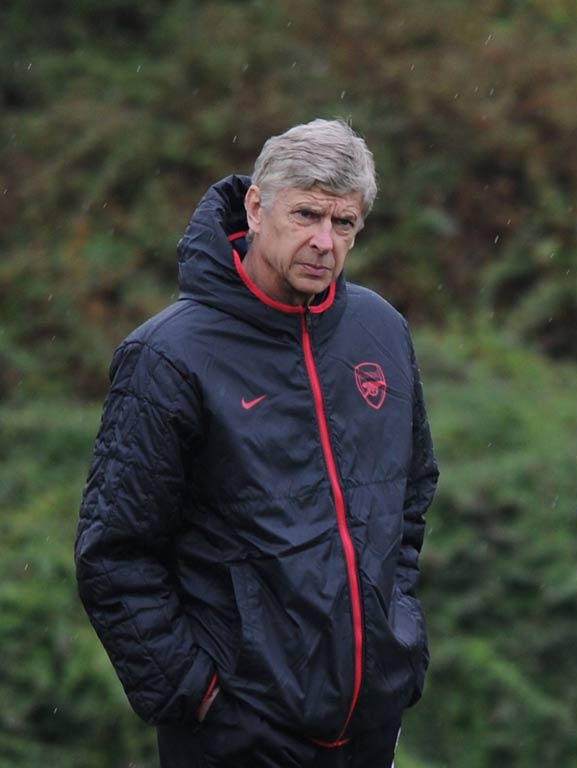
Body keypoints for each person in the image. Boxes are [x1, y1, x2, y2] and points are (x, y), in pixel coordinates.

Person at [75, 118, 439, 768]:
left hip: (369, 726)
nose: (324, 242)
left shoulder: (380, 331)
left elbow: (409, 501)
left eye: (344, 223)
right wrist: (200, 694)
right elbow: (114, 555)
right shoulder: (168, 355)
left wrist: (397, 637)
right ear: (256, 205)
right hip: (235, 735)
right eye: (306, 214)